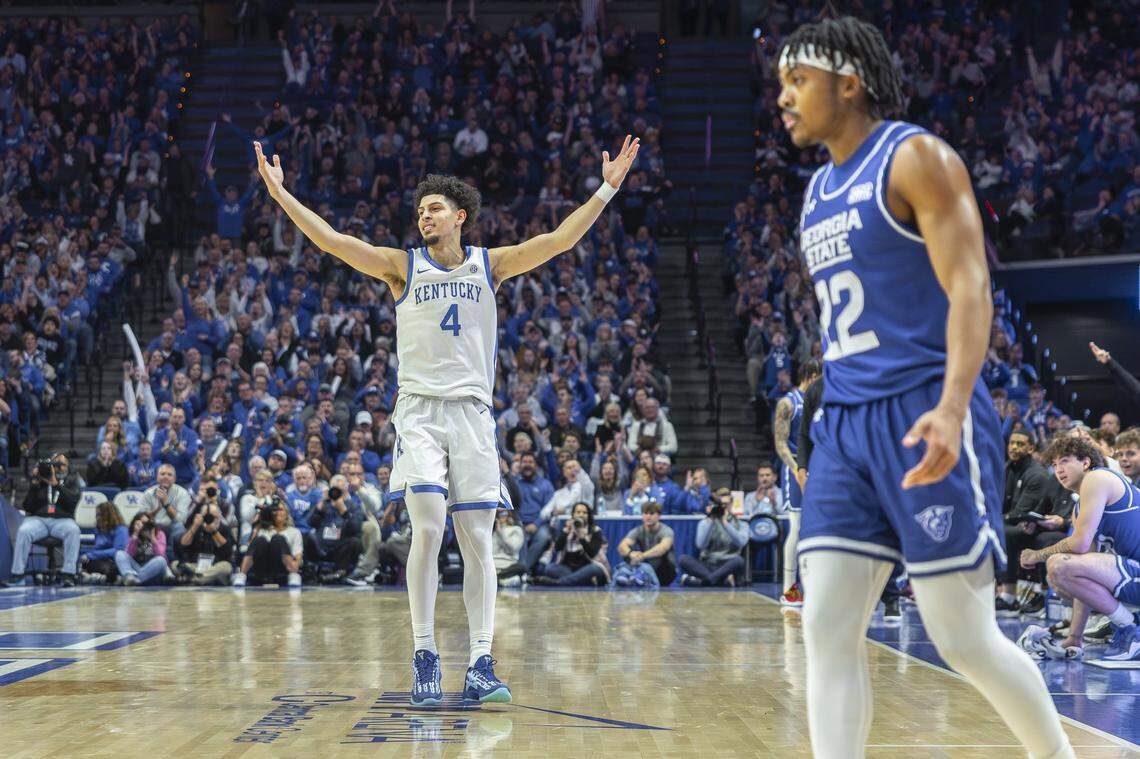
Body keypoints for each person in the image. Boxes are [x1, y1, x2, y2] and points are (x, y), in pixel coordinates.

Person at [255, 131, 640, 706]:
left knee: (479, 540)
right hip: (419, 413)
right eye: (419, 210)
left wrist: (606, 191)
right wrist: (281, 195)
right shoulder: (401, 268)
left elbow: (559, 240)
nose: (423, 216)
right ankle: (425, 654)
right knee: (429, 527)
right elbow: (333, 241)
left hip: (474, 415)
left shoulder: (491, 265)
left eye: (433, 208)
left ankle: (482, 660)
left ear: (461, 216)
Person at [777, 17, 1071, 758]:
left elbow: (971, 287)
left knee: (962, 635)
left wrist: (949, 406)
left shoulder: (916, 158)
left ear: (849, 81)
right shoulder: (815, 192)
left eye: (797, 81)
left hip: (924, 408)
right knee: (826, 624)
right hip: (844, 421)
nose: (783, 97)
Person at [1019, 436, 1140, 662]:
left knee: (1058, 565)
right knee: (1061, 575)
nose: (1059, 470)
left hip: (1134, 572)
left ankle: (1131, 629)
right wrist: (1075, 637)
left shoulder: (1097, 478)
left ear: (1085, 462)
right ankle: (1128, 625)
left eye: (1064, 461)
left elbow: (1079, 544)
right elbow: (1083, 567)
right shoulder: (1079, 508)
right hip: (1131, 574)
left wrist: (1036, 556)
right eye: (1054, 465)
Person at [773, 359, 821, 607]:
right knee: (797, 527)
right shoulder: (788, 402)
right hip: (795, 467)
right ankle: (789, 588)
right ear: (811, 376)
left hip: (819, 466)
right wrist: (796, 469)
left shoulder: (821, 401)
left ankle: (815, 584)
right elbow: (780, 443)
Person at [997, 431, 1054, 617]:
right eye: (1012, 443)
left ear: (1030, 448)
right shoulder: (1007, 468)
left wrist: (1002, 517)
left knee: (1004, 533)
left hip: (1035, 526)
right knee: (990, 529)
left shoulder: (1036, 474)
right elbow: (998, 504)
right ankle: (993, 591)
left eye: (1020, 444)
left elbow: (1021, 513)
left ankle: (1008, 596)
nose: (1014, 447)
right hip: (1016, 523)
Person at [9, 456, 82, 585]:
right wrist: (34, 484)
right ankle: (18, 575)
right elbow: (28, 506)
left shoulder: (72, 480)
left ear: (68, 467)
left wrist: (56, 484)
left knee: (73, 530)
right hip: (39, 520)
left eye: (62, 465)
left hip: (62, 520)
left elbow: (72, 503)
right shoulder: (40, 481)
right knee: (24, 530)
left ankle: (68, 575)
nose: (58, 468)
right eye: (56, 465)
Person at [680, 488, 748, 586]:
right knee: (683, 559)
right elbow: (701, 545)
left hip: (727, 564)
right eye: (721, 505)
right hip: (707, 563)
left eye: (726, 504)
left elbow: (741, 542)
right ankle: (719, 580)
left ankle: (702, 582)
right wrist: (711, 520)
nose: (723, 507)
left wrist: (725, 523)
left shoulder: (741, 524)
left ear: (731, 504)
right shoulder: (705, 523)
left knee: (739, 561)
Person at [233, 493, 303, 587]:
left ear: (286, 513)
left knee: (278, 539)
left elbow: (298, 556)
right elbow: (249, 549)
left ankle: (293, 575)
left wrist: (296, 568)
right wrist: (257, 526)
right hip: (261, 568)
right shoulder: (262, 530)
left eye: (281, 510)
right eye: (275, 511)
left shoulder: (294, 532)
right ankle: (242, 575)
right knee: (260, 539)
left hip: (282, 569)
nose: (278, 513)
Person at [536, 502, 609, 586]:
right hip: (569, 569)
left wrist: (582, 537)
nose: (581, 515)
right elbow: (557, 548)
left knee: (595, 569)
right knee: (549, 568)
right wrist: (565, 532)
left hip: (588, 567)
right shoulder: (568, 528)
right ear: (573, 515)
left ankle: (558, 583)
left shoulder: (595, 531)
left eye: (584, 512)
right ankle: (581, 580)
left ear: (589, 515)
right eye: (578, 512)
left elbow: (592, 554)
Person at [614, 500, 676, 586]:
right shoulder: (638, 530)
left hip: (664, 571)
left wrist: (642, 556)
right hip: (645, 565)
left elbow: (662, 548)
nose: (648, 516)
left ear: (658, 516)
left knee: (668, 557)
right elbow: (622, 546)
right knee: (628, 552)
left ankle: (636, 574)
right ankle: (631, 574)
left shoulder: (666, 530)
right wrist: (631, 554)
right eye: (645, 513)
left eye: (651, 513)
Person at [79, 501, 129, 584]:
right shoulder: (99, 530)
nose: (96, 517)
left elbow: (118, 551)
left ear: (107, 515)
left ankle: (104, 578)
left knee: (112, 568)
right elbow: (97, 549)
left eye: (99, 514)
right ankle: (100, 578)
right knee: (87, 561)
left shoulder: (121, 530)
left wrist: (92, 555)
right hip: (101, 561)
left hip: (115, 562)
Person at [115, 512, 169, 586]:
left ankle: (134, 580)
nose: (144, 526)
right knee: (120, 554)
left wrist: (152, 538)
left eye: (147, 523)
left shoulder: (159, 534)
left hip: (154, 571)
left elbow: (161, 554)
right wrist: (135, 535)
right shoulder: (133, 535)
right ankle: (130, 577)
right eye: (142, 523)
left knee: (161, 560)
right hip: (137, 567)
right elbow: (129, 555)